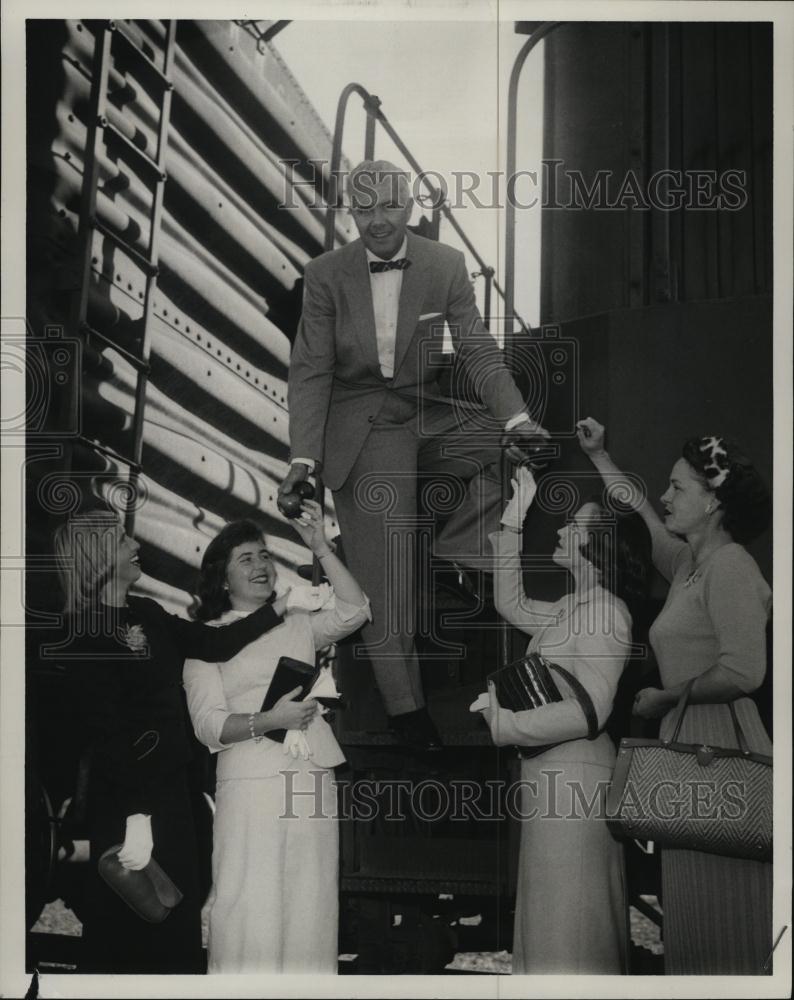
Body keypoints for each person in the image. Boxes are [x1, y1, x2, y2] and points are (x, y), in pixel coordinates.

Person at [282, 158, 549, 747]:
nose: (378, 221)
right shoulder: (325, 275)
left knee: (512, 440)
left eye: (390, 207)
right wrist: (304, 460)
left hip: (422, 414)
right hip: (363, 426)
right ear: (351, 213)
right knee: (386, 583)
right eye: (364, 209)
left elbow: (476, 348)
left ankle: (456, 542)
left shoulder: (444, 264)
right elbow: (311, 373)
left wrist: (519, 419)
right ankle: (408, 713)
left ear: (409, 206)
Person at [51, 502, 317, 974]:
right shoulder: (84, 633)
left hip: (174, 794)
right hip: (130, 803)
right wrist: (135, 817)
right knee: (127, 924)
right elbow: (106, 735)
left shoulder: (147, 612)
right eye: (122, 539)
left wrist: (278, 609)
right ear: (97, 557)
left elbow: (212, 643)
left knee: (174, 914)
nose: (135, 545)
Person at [577, 417, 773, 974]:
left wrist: (666, 698)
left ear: (713, 502)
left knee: (725, 913)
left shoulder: (731, 566)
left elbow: (744, 671)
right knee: (690, 912)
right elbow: (639, 509)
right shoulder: (689, 562)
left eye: (679, 487)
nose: (665, 496)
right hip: (689, 749)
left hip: (718, 748)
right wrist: (599, 456)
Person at [182, 503, 370, 973]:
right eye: (245, 558)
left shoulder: (298, 623)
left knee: (312, 908)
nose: (261, 565)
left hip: (309, 780)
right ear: (222, 579)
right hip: (250, 784)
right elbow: (207, 725)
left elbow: (355, 610)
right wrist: (270, 719)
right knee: (250, 908)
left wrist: (321, 547)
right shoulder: (204, 640)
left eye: (264, 555)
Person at [478, 466, 651, 974]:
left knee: (569, 935)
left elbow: (590, 711)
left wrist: (506, 725)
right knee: (554, 927)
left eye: (573, 525)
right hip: (555, 781)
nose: (559, 530)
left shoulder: (605, 612)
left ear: (598, 545)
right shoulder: (575, 606)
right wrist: (514, 515)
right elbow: (509, 602)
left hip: (574, 783)